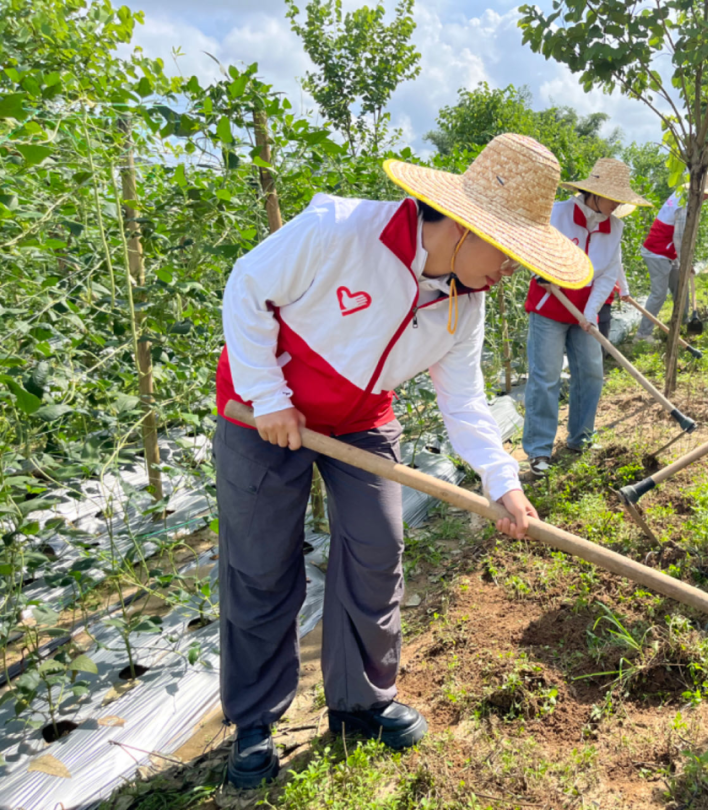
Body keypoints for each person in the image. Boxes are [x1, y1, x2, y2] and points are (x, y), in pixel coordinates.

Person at [214, 134, 590, 789]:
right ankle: (254, 725)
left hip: (360, 422)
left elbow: (467, 400)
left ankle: (361, 705)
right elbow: (246, 286)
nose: (511, 274)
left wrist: (503, 481)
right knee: (262, 567)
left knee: (378, 550)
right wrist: (269, 397)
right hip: (263, 414)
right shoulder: (340, 231)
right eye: (508, 254)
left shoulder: (464, 303)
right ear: (468, 229)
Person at [522, 158, 651, 477]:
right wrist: (541, 271)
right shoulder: (557, 215)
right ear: (592, 193)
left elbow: (608, 274)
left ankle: (580, 438)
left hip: (583, 311)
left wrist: (590, 313)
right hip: (548, 307)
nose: (618, 204)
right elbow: (531, 249)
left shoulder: (615, 228)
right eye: (613, 196)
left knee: (592, 373)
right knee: (546, 376)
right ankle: (539, 451)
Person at [634, 171, 708, 343]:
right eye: (707, 193)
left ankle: (684, 322)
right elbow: (680, 238)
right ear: (697, 190)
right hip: (657, 252)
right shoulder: (682, 204)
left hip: (669, 252)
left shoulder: (683, 196)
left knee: (681, 286)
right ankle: (642, 335)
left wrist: (684, 262)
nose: (707, 198)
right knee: (659, 294)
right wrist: (685, 262)